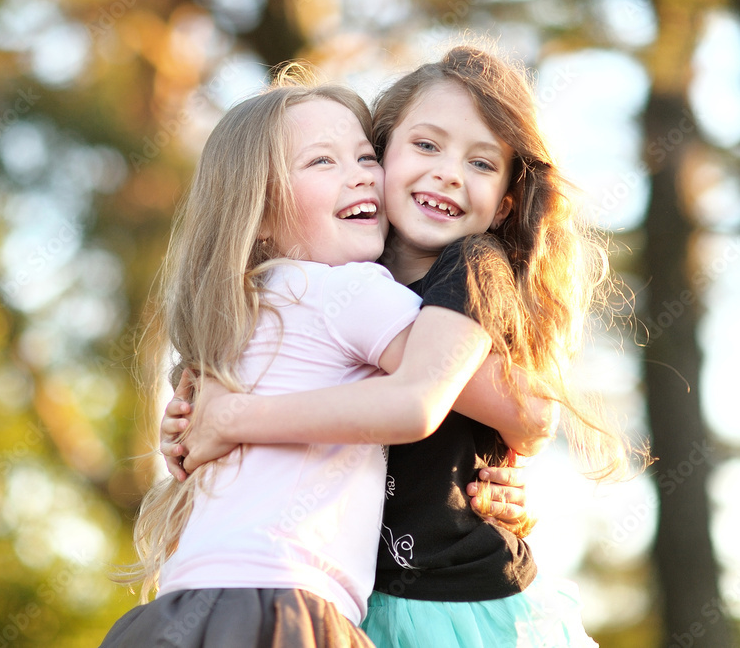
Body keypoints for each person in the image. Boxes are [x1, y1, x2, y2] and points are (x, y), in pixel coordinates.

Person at [161, 46, 648, 647]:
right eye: (425, 146)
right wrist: (189, 419)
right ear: (383, 154)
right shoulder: (337, 280)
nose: (448, 172)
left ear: (506, 203)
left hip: (458, 599)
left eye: (481, 162)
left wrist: (235, 418)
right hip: (353, 602)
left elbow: (527, 410)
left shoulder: (468, 267)